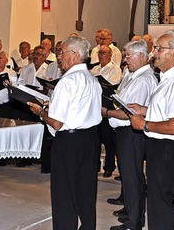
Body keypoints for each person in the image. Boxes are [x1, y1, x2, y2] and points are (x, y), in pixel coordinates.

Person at [27, 36, 102, 230]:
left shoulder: (67, 81)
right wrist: (52, 105)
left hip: (69, 142)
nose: (59, 57)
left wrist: (41, 112)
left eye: (62, 53)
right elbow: (79, 108)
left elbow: (58, 123)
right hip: (90, 138)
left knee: (64, 193)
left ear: (76, 55)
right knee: (86, 190)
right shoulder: (92, 79)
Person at [128, 30, 174, 230]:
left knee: (160, 203)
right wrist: (144, 110)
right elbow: (167, 111)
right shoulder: (170, 78)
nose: (154, 52)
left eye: (160, 48)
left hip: (170, 147)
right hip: (164, 146)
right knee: (158, 201)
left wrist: (144, 124)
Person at [105, 40, 158, 230]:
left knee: (132, 176)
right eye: (125, 55)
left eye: (128, 55)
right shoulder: (134, 75)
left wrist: (107, 112)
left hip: (131, 131)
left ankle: (134, 222)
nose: (125, 59)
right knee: (128, 175)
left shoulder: (143, 79)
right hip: (125, 131)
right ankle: (130, 211)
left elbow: (130, 111)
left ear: (142, 57)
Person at [90, 44, 123, 177]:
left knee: (108, 138)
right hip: (94, 105)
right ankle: (95, 165)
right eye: (100, 53)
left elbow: (113, 86)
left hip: (107, 105)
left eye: (104, 53)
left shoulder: (115, 69)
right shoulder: (94, 68)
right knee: (95, 138)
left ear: (110, 55)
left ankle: (109, 166)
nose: (101, 55)